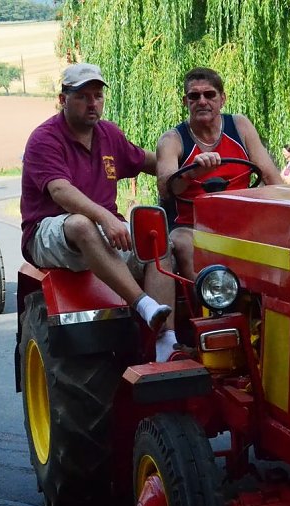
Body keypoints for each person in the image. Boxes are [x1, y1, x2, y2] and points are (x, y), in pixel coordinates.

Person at [20, 63, 178, 362]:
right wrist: (106, 217)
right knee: (82, 224)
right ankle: (145, 306)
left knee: (158, 240)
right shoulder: (45, 139)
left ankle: (166, 341)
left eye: (97, 95)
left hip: (101, 232)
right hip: (48, 233)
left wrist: (182, 171)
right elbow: (60, 192)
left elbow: (148, 161)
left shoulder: (109, 134)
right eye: (82, 96)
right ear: (63, 99)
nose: (93, 103)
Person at [156, 67, 284, 280]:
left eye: (209, 94)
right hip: (191, 226)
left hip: (242, 221)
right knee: (181, 241)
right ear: (185, 102)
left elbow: (270, 176)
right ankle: (213, 299)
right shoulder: (171, 140)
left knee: (282, 238)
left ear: (222, 99)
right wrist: (192, 173)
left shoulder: (240, 126)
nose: (202, 101)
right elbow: (166, 188)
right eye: (194, 96)